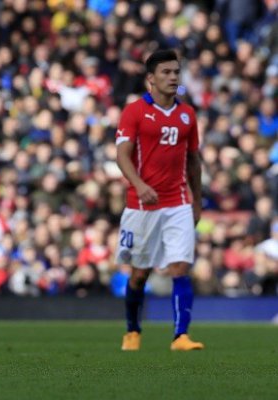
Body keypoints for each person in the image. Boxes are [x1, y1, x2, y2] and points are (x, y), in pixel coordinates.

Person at [115, 50, 204, 351]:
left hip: (177, 201)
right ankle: (132, 331)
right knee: (140, 274)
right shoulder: (134, 112)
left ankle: (181, 336)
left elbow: (193, 160)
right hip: (141, 205)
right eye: (166, 72)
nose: (173, 77)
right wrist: (138, 185)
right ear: (151, 78)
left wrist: (197, 200)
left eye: (176, 72)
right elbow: (122, 155)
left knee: (180, 266)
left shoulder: (187, 114)